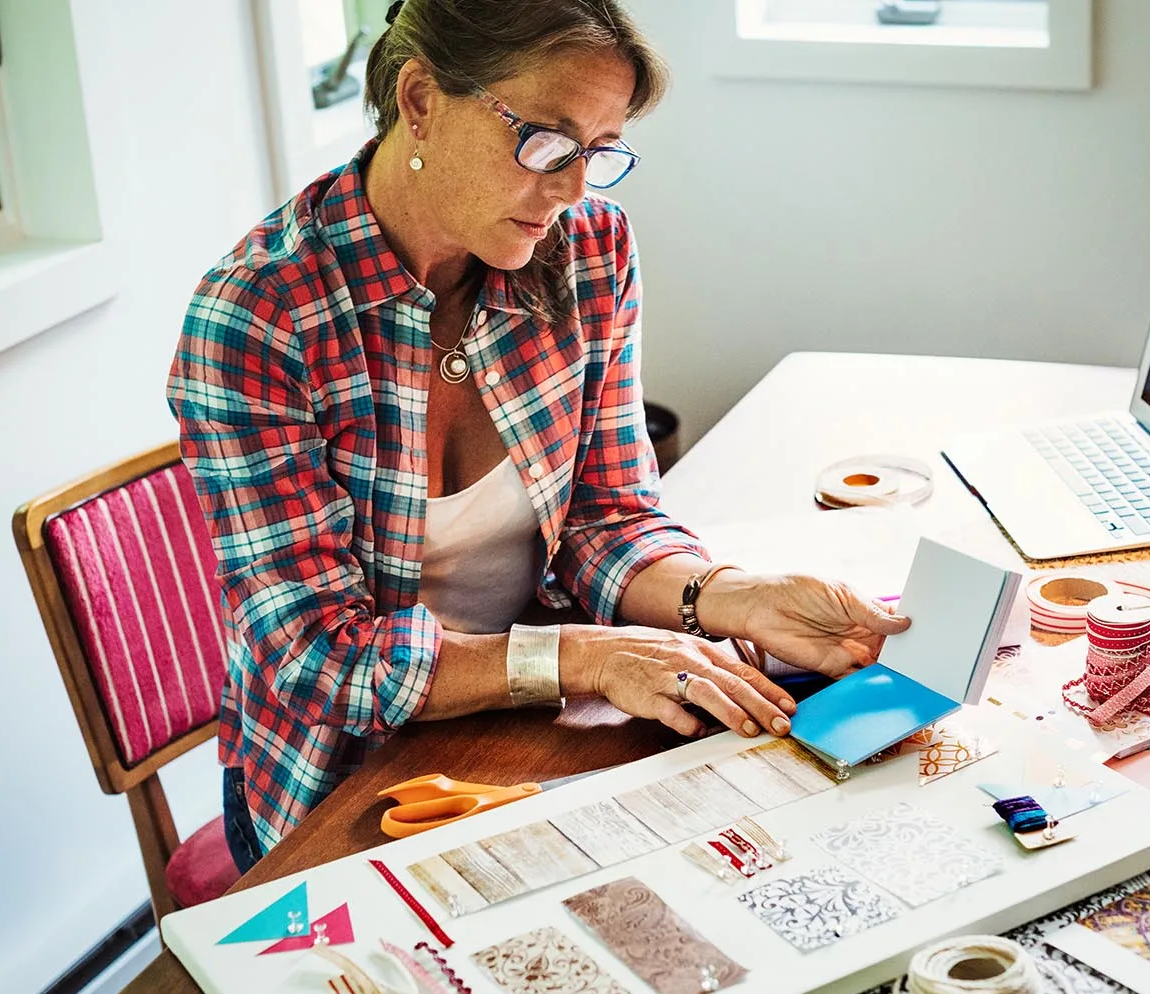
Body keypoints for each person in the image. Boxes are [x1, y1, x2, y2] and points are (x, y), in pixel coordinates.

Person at [168, 0, 909, 876]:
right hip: (341, 786)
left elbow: (607, 518)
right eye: (548, 142)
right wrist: (588, 658)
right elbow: (318, 658)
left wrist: (731, 598)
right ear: (420, 100)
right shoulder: (260, 317)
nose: (571, 191)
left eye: (598, 152)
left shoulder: (589, 249)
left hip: (538, 729)